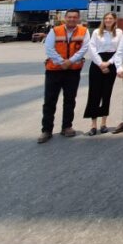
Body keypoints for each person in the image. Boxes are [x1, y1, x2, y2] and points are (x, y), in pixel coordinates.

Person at [38, 9, 90, 144]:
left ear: (78, 19)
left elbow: (84, 48)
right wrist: (62, 62)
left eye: (75, 17)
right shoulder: (55, 31)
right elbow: (49, 48)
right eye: (69, 17)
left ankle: (67, 126)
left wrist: (70, 61)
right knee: (49, 100)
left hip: (72, 70)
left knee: (70, 100)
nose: (72, 19)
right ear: (65, 18)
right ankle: (46, 130)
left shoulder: (84, 31)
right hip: (54, 70)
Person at [83, 12, 122, 136]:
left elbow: (120, 50)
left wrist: (109, 63)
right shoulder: (96, 32)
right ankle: (93, 125)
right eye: (106, 18)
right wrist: (101, 64)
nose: (108, 20)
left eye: (110, 18)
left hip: (111, 63)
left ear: (115, 20)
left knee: (106, 93)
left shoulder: (119, 32)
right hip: (97, 63)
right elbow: (92, 48)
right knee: (94, 94)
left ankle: (103, 123)